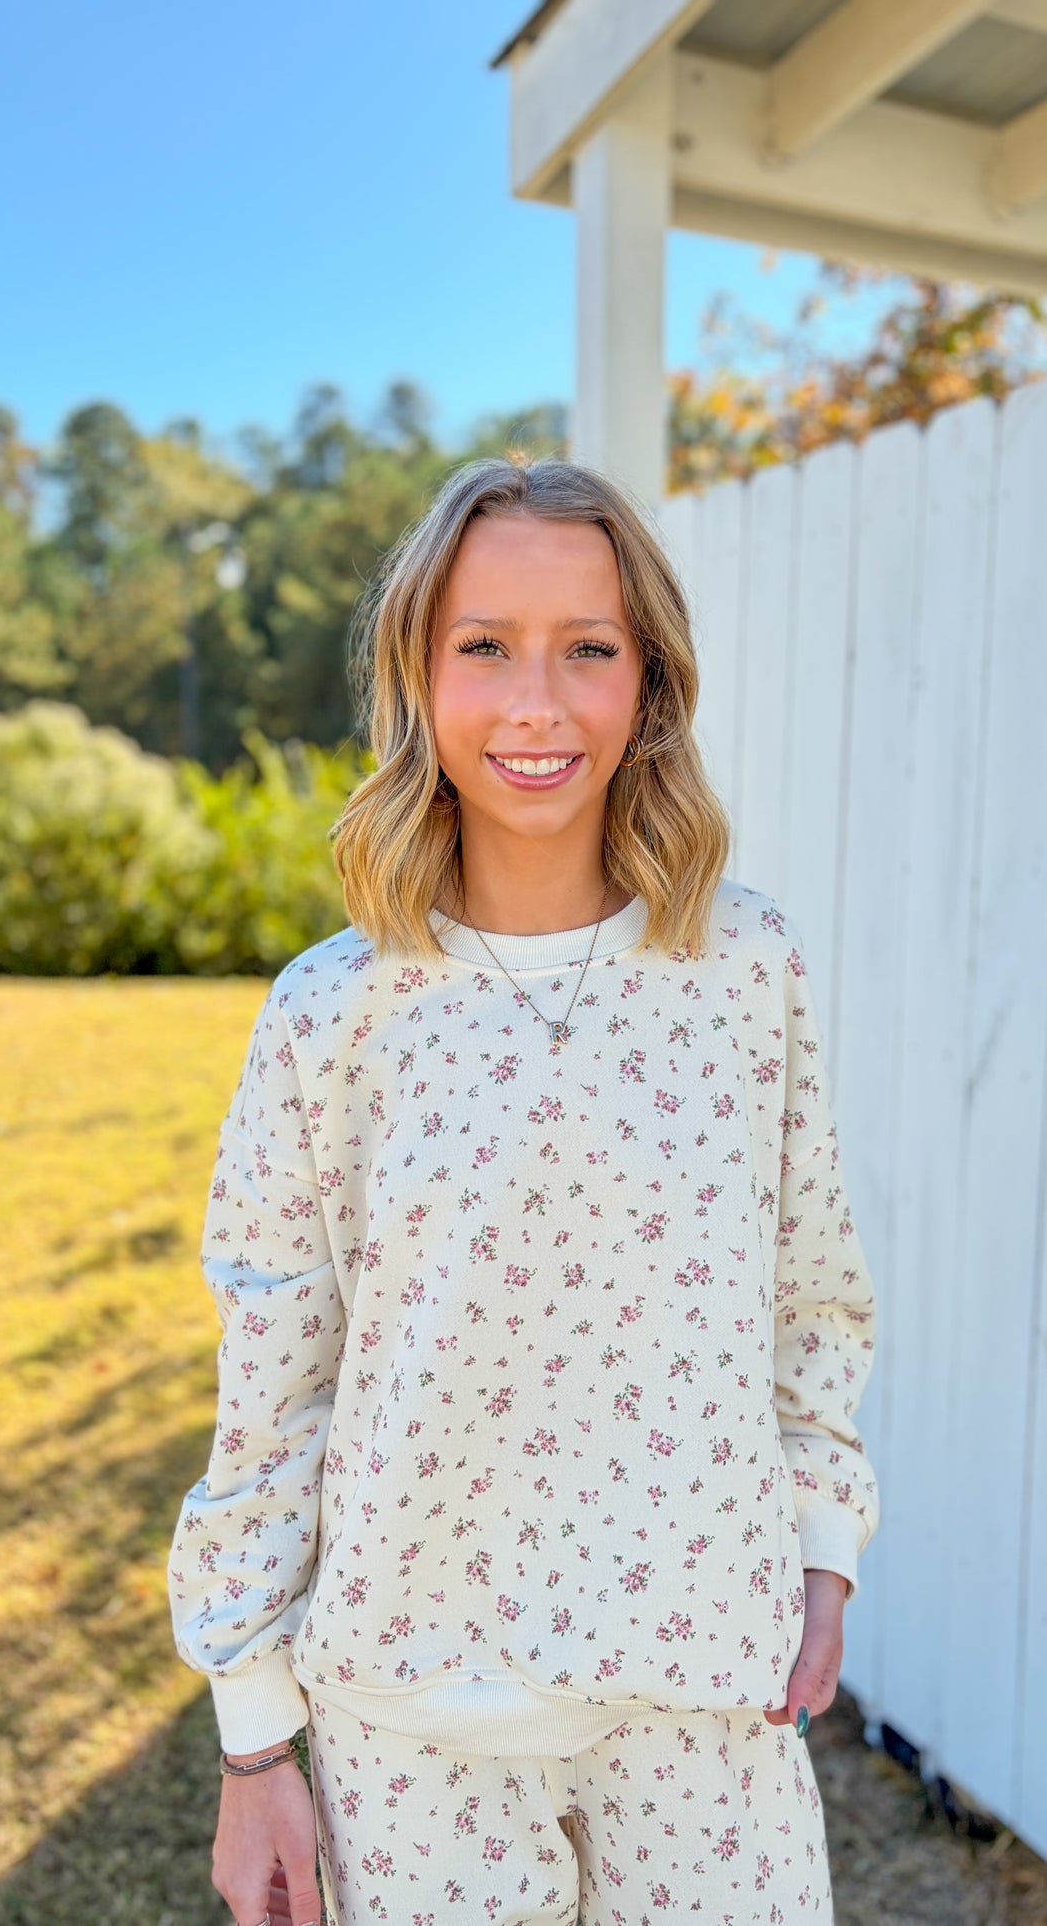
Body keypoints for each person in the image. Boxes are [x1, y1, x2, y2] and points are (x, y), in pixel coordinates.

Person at [166, 455, 880, 1926]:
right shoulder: (331, 1012)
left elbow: (811, 1289)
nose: (537, 704)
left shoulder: (747, 968)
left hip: (704, 1694)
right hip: (413, 1721)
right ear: (418, 676)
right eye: (485, 646)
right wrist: (253, 1741)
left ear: (650, 682)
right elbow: (274, 1381)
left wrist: (823, 1548)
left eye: (588, 649)